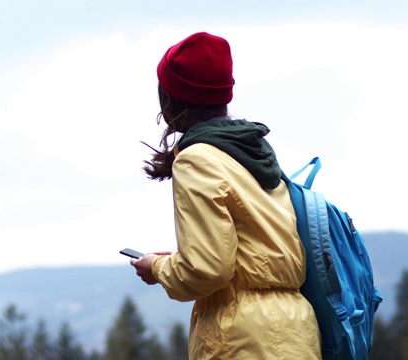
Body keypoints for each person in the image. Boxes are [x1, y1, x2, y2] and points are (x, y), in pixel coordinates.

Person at [130, 31, 322, 359]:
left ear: (170, 98)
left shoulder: (196, 159)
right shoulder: (252, 150)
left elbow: (208, 271)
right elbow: (251, 250)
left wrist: (158, 268)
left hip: (245, 339)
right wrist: (178, 258)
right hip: (296, 333)